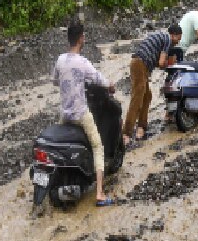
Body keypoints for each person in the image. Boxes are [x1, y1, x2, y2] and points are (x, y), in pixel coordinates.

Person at [53, 22, 117, 206]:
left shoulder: (60, 60)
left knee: (59, 144)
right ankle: (99, 193)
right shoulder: (82, 62)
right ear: (81, 38)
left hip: (65, 113)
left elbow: (55, 81)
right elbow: (98, 79)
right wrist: (111, 85)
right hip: (80, 113)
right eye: (84, 36)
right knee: (97, 146)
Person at [123, 24, 183, 144]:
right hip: (140, 64)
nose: (177, 42)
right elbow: (161, 63)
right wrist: (170, 63)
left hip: (139, 63)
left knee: (147, 96)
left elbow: (154, 59)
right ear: (174, 35)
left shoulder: (160, 36)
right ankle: (126, 133)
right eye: (178, 39)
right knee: (137, 98)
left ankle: (141, 128)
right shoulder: (167, 39)